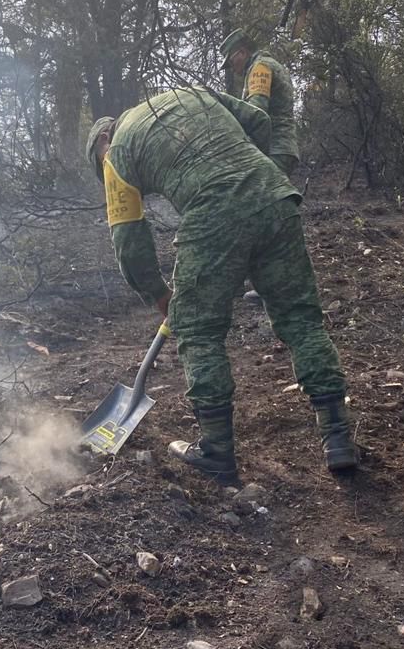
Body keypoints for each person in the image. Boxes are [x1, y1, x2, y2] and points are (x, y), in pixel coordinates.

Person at [84, 87, 358, 483]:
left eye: (100, 161)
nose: (104, 167)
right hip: (275, 195)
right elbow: (259, 121)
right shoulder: (186, 93)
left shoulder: (117, 153)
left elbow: (129, 245)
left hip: (214, 211)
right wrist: (244, 177)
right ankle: (337, 439)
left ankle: (216, 452)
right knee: (301, 319)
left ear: (104, 141)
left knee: (197, 332)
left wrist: (160, 295)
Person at [221, 29, 299, 177]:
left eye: (231, 61)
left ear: (242, 53)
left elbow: (256, 112)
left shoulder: (259, 68)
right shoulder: (272, 64)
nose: (232, 67)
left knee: (259, 197)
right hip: (283, 147)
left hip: (274, 148)